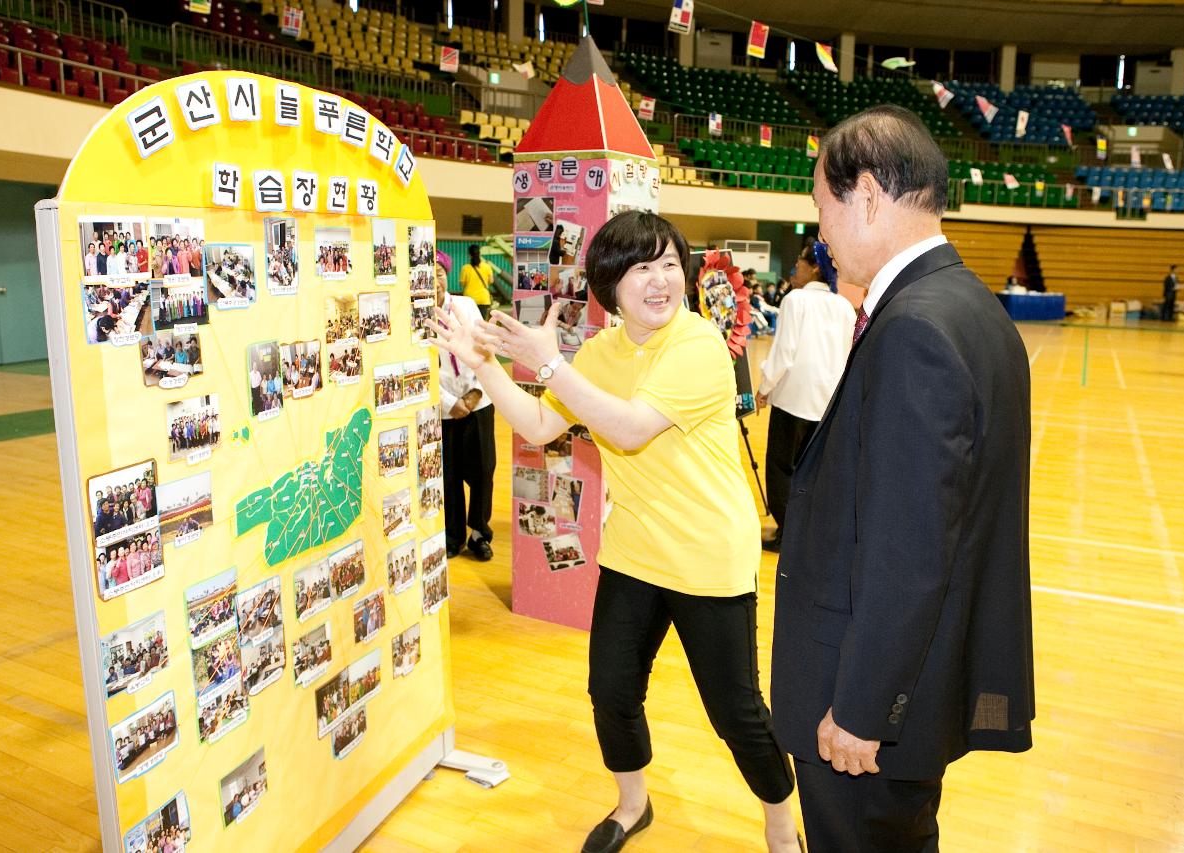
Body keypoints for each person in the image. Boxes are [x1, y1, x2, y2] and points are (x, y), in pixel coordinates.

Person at [429, 210, 801, 853]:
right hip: (634, 551)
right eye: (639, 268)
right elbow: (539, 427)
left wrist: (549, 367)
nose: (659, 280)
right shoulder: (600, 352)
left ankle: (782, 826)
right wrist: (482, 365)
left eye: (667, 264)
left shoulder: (699, 345)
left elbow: (628, 428)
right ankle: (634, 805)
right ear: (608, 284)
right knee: (612, 691)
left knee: (736, 714)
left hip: (709, 556)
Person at [771, 105, 1034, 852]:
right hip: (921, 681)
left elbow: (911, 549)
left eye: (821, 205)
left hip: (872, 706)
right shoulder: (973, 307)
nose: (819, 229)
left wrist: (862, 706)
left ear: (866, 196)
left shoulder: (915, 325)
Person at [755, 241, 855, 552]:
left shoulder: (796, 300)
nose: (793, 268)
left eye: (798, 262)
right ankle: (808, 532)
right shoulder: (842, 306)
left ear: (813, 267)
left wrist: (764, 388)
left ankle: (788, 534)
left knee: (781, 469)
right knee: (812, 472)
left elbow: (784, 353)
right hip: (826, 405)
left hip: (793, 400)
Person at [435, 250, 497, 560]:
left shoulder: (466, 306)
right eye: (427, 274)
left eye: (439, 272)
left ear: (447, 275)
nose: (434, 280)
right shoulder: (414, 317)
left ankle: (479, 534)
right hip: (443, 410)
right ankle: (453, 535)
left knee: (483, 470)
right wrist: (449, 403)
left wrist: (472, 395)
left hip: (478, 401)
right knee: (449, 475)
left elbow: (483, 348)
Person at [459, 244, 509, 321]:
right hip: (483, 298)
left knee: (470, 321)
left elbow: (462, 283)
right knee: (482, 322)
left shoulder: (465, 268)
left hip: (469, 299)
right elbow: (491, 281)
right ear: (479, 254)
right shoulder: (487, 267)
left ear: (469, 255)